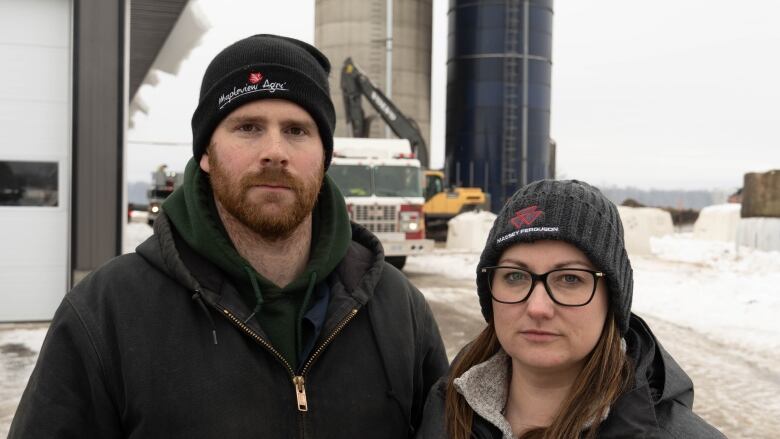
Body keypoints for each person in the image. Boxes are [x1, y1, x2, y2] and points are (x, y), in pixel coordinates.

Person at [10, 34, 447, 438]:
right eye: (248, 127)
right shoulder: (106, 312)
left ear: (325, 157)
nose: (274, 151)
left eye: (296, 130)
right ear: (205, 153)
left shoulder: (398, 311)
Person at [417, 179, 725, 438]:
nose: (538, 307)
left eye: (569, 278)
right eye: (515, 276)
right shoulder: (445, 409)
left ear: (612, 301)